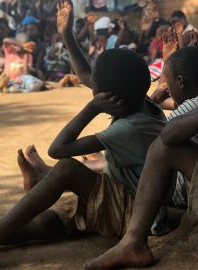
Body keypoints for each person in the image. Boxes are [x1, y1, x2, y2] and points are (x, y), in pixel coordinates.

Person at [0, 1, 166, 269]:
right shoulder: (139, 99)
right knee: (52, 221)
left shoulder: (129, 127)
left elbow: (58, 149)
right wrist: (66, 33)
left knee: (66, 170)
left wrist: (93, 107)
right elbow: (84, 74)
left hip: (137, 214)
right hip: (119, 195)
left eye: (98, 92)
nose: (93, 88)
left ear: (109, 97)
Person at [84, 45, 198, 270]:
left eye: (169, 83)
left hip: (176, 191)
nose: (166, 88)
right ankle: (133, 243)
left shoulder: (182, 106)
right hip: (176, 185)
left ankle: (133, 242)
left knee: (160, 149)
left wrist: (91, 109)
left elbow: (169, 133)